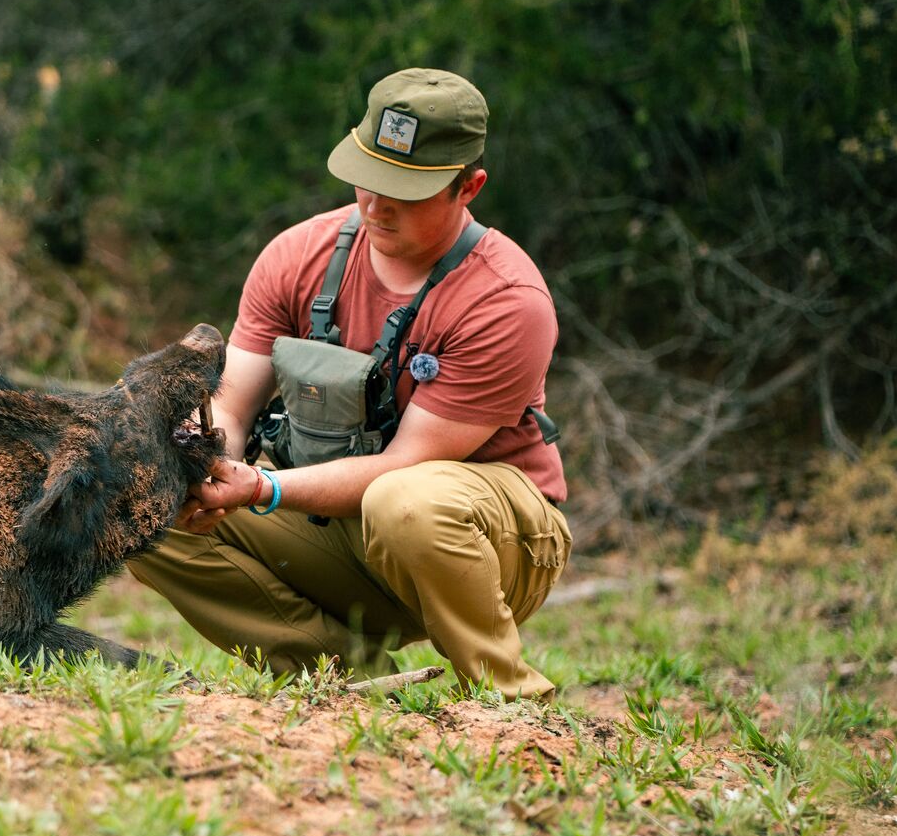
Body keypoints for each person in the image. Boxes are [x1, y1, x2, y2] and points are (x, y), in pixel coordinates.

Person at [126, 68, 570, 699]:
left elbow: (407, 466)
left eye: (406, 190)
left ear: (468, 187)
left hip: (491, 547)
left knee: (406, 502)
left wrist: (262, 487)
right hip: (338, 526)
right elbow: (231, 404)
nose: (376, 204)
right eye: (370, 177)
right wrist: (201, 463)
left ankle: (509, 697)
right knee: (142, 493)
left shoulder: (505, 300)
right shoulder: (298, 254)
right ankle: (350, 682)